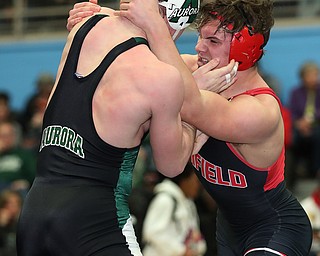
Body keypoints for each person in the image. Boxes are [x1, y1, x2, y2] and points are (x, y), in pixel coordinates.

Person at [16, 1, 238, 255]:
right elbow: (172, 165)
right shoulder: (162, 80)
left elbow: (145, 56)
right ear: (178, 19)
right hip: (95, 221)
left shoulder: (86, 23)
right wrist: (196, 104)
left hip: (34, 213)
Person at [115, 0, 313, 255]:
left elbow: (190, 104)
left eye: (213, 41)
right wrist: (95, 20)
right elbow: (125, 60)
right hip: (228, 229)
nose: (199, 47)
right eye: (200, 36)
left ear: (246, 49)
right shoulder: (193, 72)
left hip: (276, 228)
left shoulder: (259, 109)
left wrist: (155, 25)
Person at [142, 162, 206, 256]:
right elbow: (153, 233)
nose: (198, 186)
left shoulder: (189, 204)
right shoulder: (165, 199)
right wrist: (181, 250)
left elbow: (195, 235)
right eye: (195, 181)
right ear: (184, 180)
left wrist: (197, 247)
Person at [288, 61, 320, 179]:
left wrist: (310, 121)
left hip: (316, 124)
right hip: (299, 125)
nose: (313, 79)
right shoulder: (295, 92)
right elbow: (292, 111)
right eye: (309, 75)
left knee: (317, 136)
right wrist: (299, 123)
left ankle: (316, 170)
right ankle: (295, 171)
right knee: (293, 137)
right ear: (302, 77)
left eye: (315, 75)